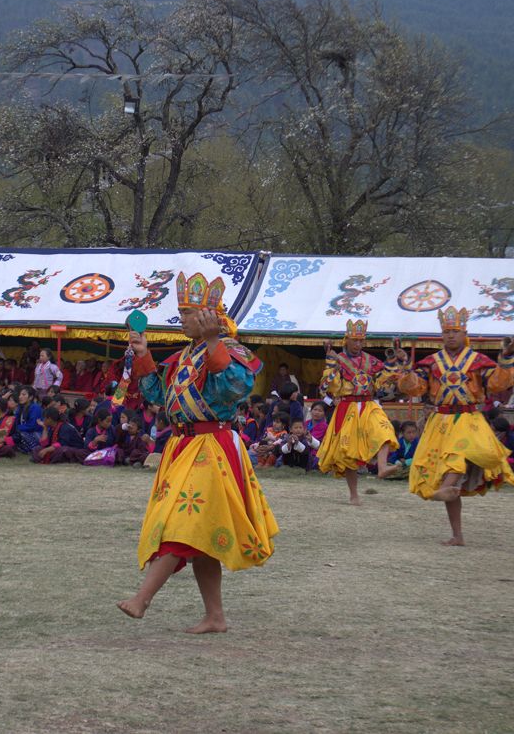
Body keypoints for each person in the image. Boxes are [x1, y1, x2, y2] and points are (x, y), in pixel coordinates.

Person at [117, 271, 277, 634]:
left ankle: (142, 599)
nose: (182, 319)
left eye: (188, 313)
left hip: (213, 446)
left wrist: (212, 342)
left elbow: (233, 389)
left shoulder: (233, 351)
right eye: (182, 312)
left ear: (208, 316)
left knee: (183, 524)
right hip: (181, 446)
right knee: (200, 536)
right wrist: (143, 357)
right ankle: (215, 617)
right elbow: (158, 396)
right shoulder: (182, 356)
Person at [393, 307, 514, 546]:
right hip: (440, 421)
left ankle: (446, 487)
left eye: (455, 331)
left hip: (468, 418)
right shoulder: (431, 363)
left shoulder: (477, 361)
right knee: (449, 470)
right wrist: (405, 367)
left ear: (464, 333)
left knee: (457, 453)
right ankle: (457, 534)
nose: (450, 336)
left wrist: (506, 356)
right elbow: (413, 388)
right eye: (447, 331)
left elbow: (498, 383)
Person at [316, 318, 399, 504]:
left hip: (369, 404)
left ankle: (383, 467)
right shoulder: (338, 359)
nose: (358, 344)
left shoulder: (371, 360)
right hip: (348, 407)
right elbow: (330, 386)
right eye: (355, 340)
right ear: (347, 340)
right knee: (349, 454)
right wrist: (331, 366)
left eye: (361, 340)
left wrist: (393, 360)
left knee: (385, 429)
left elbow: (383, 380)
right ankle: (354, 494)